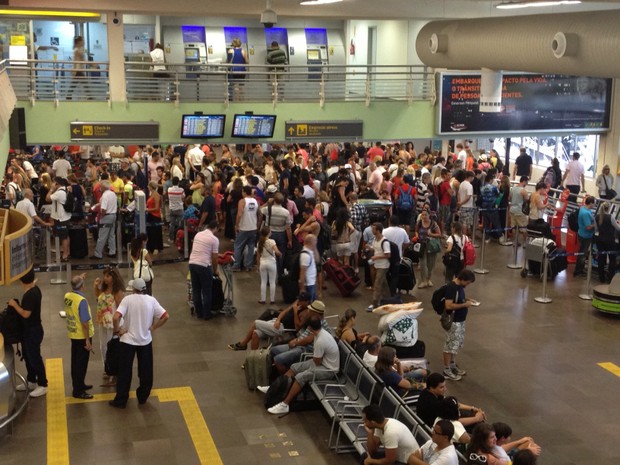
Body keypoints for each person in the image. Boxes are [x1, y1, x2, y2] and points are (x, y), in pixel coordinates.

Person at [109, 278, 170, 408]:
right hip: (145, 341)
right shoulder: (151, 300)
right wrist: (153, 327)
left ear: (133, 289)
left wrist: (117, 330)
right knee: (146, 371)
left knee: (125, 371)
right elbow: (165, 316)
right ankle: (142, 396)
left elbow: (116, 317)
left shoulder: (127, 300)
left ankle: (121, 400)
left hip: (127, 341)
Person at [262, 316, 339, 415]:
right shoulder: (320, 333)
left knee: (301, 377)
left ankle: (285, 405)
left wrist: (307, 367)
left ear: (310, 328)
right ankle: (275, 387)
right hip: (322, 362)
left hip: (329, 370)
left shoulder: (321, 340)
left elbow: (317, 362)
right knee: (294, 367)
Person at [7, 269, 48, 398]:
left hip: (33, 331)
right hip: (30, 330)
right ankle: (31, 380)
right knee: (27, 355)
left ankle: (43, 384)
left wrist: (14, 305)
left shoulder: (30, 295)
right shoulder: (34, 289)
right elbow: (33, 283)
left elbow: (26, 314)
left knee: (34, 357)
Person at [228, 292, 311, 351]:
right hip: (277, 323)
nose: (299, 301)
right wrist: (278, 320)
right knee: (255, 333)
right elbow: (284, 311)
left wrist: (296, 312)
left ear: (306, 302)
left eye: (301, 300)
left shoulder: (306, 312)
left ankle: (243, 344)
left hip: (283, 329)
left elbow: (297, 327)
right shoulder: (297, 303)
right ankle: (252, 359)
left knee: (255, 323)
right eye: (299, 299)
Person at [64, 273, 95, 400]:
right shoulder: (82, 301)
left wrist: (80, 278)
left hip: (73, 334)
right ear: (82, 286)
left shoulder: (68, 296)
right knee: (81, 364)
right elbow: (84, 323)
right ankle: (78, 390)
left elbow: (75, 284)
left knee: (75, 362)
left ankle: (80, 384)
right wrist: (87, 340)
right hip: (82, 336)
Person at [442, 269, 476, 381]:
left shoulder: (460, 287)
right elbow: (449, 305)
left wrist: (466, 300)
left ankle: (452, 364)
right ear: (462, 279)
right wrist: (464, 305)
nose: (468, 285)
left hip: (461, 320)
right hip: (454, 321)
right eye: (468, 282)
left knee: (456, 345)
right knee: (450, 345)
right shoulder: (452, 287)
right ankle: (446, 369)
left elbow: (458, 299)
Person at [93, 266, 125, 387]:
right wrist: (96, 286)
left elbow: (121, 308)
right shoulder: (104, 289)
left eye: (107, 276)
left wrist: (120, 326)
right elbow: (98, 295)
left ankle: (113, 371)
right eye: (104, 276)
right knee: (103, 346)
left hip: (113, 324)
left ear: (113, 277)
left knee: (112, 347)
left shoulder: (117, 292)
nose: (105, 278)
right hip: (103, 322)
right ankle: (107, 368)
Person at [189, 220, 220, 320]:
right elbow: (215, 257)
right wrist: (215, 270)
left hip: (192, 263)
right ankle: (207, 314)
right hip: (204, 265)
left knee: (196, 289)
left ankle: (199, 313)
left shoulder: (198, 234)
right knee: (207, 290)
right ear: (215, 228)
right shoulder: (214, 239)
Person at [232, 186, 260, 271]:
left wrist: (237, 225)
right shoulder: (256, 201)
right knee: (251, 247)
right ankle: (248, 265)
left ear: (244, 192)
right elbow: (260, 214)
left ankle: (236, 265)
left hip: (243, 228)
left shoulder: (242, 201)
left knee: (238, 246)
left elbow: (239, 214)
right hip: (253, 228)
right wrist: (257, 225)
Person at [367, 222, 392, 311]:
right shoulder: (375, 240)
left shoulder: (384, 241)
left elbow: (388, 255)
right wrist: (370, 248)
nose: (372, 230)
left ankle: (374, 304)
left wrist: (376, 257)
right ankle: (389, 300)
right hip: (377, 265)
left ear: (378, 230)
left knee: (377, 284)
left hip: (383, 266)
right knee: (384, 283)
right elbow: (376, 249)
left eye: (373, 229)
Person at [90, 180, 117, 259]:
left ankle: (98, 254)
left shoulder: (105, 196)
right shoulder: (113, 194)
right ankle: (112, 252)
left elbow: (103, 209)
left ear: (103, 187)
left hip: (106, 217)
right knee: (111, 235)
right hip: (113, 215)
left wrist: (101, 216)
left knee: (102, 236)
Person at [47, 176, 72, 262]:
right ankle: (67, 252)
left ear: (57, 183)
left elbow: (47, 198)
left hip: (61, 218)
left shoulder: (59, 193)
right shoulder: (65, 190)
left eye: (53, 183)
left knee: (63, 237)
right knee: (66, 236)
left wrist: (51, 189)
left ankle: (64, 255)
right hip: (66, 217)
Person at [415, 209, 441, 289]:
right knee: (422, 264)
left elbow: (439, 234)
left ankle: (429, 278)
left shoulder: (433, 224)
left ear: (429, 215)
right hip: (422, 246)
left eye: (425, 215)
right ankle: (423, 281)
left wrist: (431, 234)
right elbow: (416, 231)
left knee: (431, 264)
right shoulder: (419, 223)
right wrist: (417, 236)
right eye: (422, 215)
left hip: (431, 246)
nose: (424, 216)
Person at [596, 202, 620, 283]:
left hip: (600, 240)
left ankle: (601, 277)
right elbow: (617, 228)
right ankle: (610, 278)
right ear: (609, 208)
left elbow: (596, 229)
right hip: (609, 240)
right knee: (612, 259)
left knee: (601, 259)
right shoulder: (611, 217)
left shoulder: (597, 216)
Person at [257, 225, 281, 304]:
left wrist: (258, 265)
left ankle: (263, 299)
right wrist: (279, 253)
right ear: (268, 233)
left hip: (263, 263)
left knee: (263, 282)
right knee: (272, 282)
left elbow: (258, 256)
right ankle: (272, 300)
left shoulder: (259, 243)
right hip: (271, 263)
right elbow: (277, 252)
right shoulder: (272, 241)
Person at [574, 195, 596, 277]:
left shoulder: (583, 208)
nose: (594, 205)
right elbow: (588, 227)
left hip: (582, 233)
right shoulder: (585, 213)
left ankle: (580, 269)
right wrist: (595, 225)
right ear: (590, 203)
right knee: (582, 254)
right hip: (585, 236)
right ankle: (578, 271)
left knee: (582, 253)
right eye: (594, 204)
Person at [509, 176, 529, 246]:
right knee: (523, 227)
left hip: (512, 210)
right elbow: (527, 200)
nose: (527, 184)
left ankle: (515, 241)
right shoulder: (523, 191)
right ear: (524, 181)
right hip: (519, 211)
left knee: (514, 227)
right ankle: (525, 243)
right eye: (527, 182)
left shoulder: (513, 189)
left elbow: (510, 199)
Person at [299, 234, 319, 301]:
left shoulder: (310, 251)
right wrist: (302, 288)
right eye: (315, 240)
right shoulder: (305, 255)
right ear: (311, 242)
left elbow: (317, 260)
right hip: (308, 285)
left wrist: (315, 248)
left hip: (312, 283)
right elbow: (302, 272)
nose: (316, 242)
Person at [146, 181, 164, 255]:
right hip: (150, 215)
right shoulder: (151, 194)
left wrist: (147, 209)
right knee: (150, 232)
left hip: (155, 216)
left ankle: (156, 247)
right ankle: (151, 247)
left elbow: (157, 208)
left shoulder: (156, 195)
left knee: (155, 232)